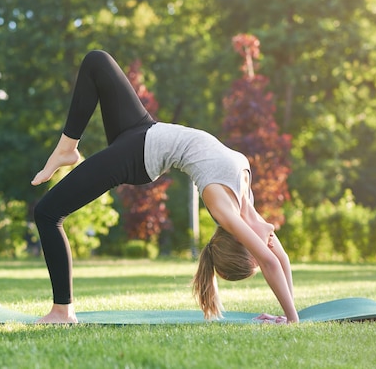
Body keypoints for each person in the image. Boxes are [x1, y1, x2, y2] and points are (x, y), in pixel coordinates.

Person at [31, 50, 298, 324]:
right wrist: (292, 316)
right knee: (96, 61)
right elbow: (279, 260)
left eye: (260, 246)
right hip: (143, 129)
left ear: (245, 243)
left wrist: (291, 320)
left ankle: (63, 311)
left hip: (138, 156)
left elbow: (270, 262)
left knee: (48, 213)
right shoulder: (244, 196)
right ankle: (67, 148)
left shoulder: (222, 205)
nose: (270, 239)